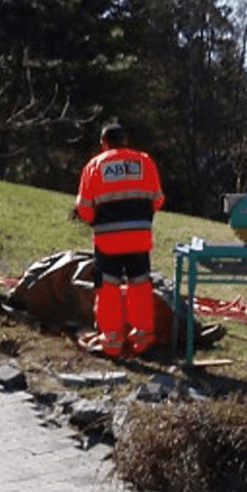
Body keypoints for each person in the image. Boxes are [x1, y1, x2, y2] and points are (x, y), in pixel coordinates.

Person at [75, 123, 165, 357]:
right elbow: (157, 199)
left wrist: (96, 219)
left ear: (103, 143)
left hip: (107, 240)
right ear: (124, 140)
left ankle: (112, 341)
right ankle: (143, 339)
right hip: (139, 238)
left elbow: (84, 208)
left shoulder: (95, 166)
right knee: (140, 286)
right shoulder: (144, 162)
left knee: (108, 290)